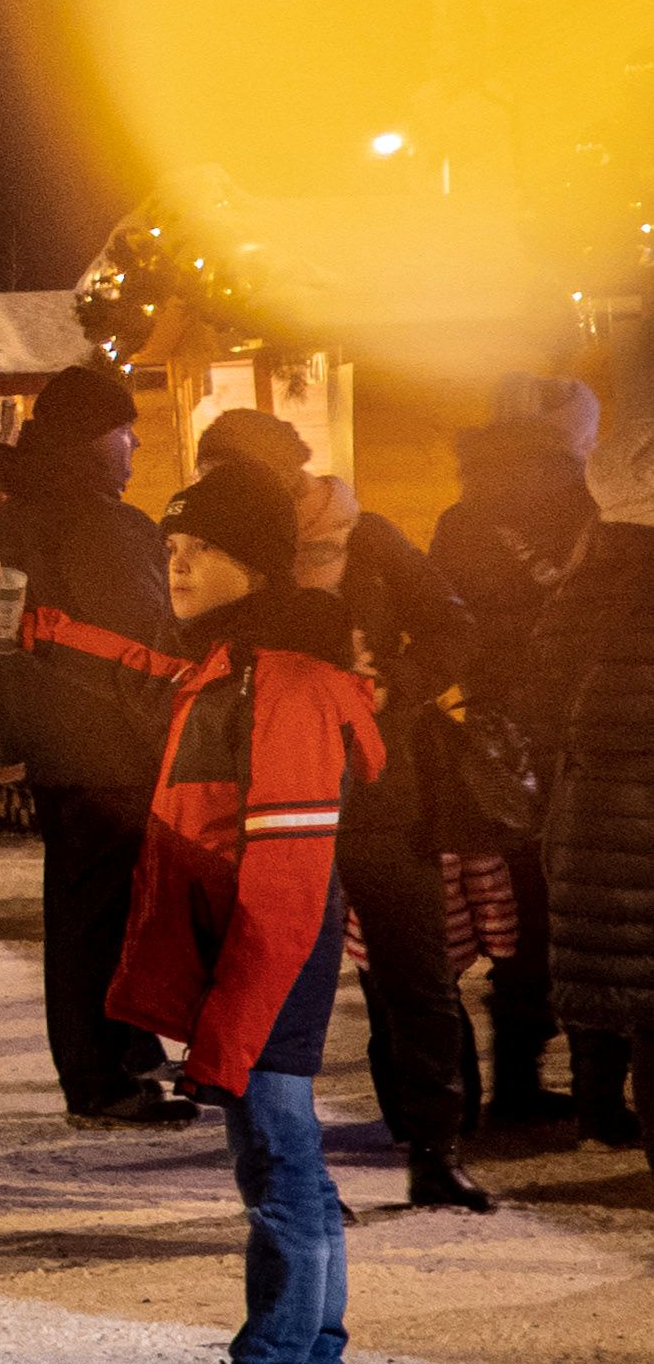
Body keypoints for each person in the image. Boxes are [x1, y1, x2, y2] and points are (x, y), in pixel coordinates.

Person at [114, 462, 387, 1364]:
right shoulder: (235, 666)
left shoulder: (277, 681)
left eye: (200, 547)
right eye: (170, 544)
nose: (174, 563)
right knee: (295, 1175)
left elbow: (280, 869)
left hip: (266, 960)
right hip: (255, 958)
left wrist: (230, 1018)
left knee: (280, 1176)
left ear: (254, 562)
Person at [204, 409, 494, 1209]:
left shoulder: (365, 537)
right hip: (275, 795)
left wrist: (393, 682)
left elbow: (453, 627)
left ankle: (436, 1148)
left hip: (379, 788)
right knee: (282, 984)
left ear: (282, 471)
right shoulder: (221, 551)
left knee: (416, 973)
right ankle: (295, 1169)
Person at [0, 360, 198, 1126]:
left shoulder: (18, 514)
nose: (135, 443)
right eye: (123, 428)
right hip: (111, 747)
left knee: (87, 911)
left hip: (54, 742)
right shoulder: (101, 523)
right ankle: (102, 1075)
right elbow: (147, 638)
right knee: (103, 918)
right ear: (88, 440)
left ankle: (124, 1053)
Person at [438, 372, 619, 1140]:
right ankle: (598, 1092)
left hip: (496, 738)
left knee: (522, 911)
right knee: (595, 912)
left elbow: (446, 618)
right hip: (583, 729)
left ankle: (515, 1079)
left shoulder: (460, 515)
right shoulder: (591, 509)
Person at [541, 418, 654, 1189]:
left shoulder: (584, 587)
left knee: (644, 1022)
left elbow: (542, 702)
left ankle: (604, 1114)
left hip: (590, 834)